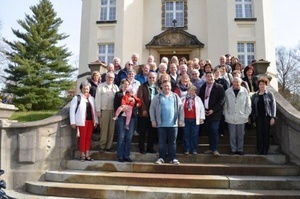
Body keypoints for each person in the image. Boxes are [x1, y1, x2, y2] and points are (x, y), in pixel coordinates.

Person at [150, 80, 184, 165]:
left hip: (173, 124)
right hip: (161, 124)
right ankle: (161, 158)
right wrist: (153, 120)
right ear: (161, 86)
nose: (166, 87)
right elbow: (152, 109)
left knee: (172, 142)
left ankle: (173, 158)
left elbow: (181, 109)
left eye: (168, 86)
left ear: (171, 87)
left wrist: (180, 120)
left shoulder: (175, 97)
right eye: (165, 86)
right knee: (162, 142)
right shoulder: (157, 97)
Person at [70, 81, 98, 161]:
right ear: (81, 89)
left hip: (91, 121)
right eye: (84, 89)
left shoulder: (92, 98)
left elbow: (94, 110)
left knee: (88, 138)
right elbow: (72, 110)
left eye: (87, 89)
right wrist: (73, 122)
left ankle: (87, 154)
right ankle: (82, 154)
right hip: (82, 121)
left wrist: (95, 121)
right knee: (82, 138)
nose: (86, 90)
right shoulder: (77, 98)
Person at [199, 72, 225, 156]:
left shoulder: (219, 87)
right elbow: (200, 99)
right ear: (205, 77)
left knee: (214, 130)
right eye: (208, 76)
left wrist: (213, 110)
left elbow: (221, 100)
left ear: (214, 77)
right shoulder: (203, 87)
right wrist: (203, 110)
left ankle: (215, 149)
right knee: (209, 131)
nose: (209, 78)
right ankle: (210, 148)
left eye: (211, 76)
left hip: (215, 113)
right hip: (206, 112)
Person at [224, 77, 251, 155]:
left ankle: (240, 149)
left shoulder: (245, 91)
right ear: (232, 82)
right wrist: (226, 114)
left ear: (240, 83)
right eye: (234, 82)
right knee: (232, 135)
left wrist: (246, 115)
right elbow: (225, 105)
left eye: (238, 82)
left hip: (241, 116)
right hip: (230, 116)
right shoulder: (227, 92)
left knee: (241, 134)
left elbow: (248, 104)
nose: (236, 83)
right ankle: (233, 149)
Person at [114, 79, 139, 162]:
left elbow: (136, 105)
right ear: (121, 85)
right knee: (121, 136)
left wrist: (133, 103)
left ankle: (126, 155)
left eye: (127, 84)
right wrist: (122, 109)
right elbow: (115, 106)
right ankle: (120, 155)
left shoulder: (132, 94)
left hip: (131, 118)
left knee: (129, 137)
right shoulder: (118, 94)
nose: (126, 86)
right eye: (124, 84)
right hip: (121, 117)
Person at [251, 77, 276, 155]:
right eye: (260, 84)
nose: (262, 86)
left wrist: (273, 117)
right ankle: (260, 149)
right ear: (258, 85)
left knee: (265, 133)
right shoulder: (255, 95)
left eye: (263, 84)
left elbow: (273, 106)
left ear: (266, 85)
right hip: (258, 116)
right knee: (259, 133)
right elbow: (252, 106)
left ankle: (265, 149)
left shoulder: (269, 94)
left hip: (267, 116)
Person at [95, 72, 119, 153]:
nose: (110, 79)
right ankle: (102, 146)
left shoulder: (115, 87)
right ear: (106, 77)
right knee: (104, 129)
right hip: (104, 110)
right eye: (108, 77)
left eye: (112, 77)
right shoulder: (100, 86)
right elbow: (97, 99)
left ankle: (109, 146)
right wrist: (98, 110)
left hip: (113, 110)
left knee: (111, 129)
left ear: (114, 79)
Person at [137, 72, 160, 154]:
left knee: (152, 132)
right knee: (142, 131)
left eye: (153, 78)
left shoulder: (157, 88)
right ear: (147, 78)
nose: (151, 79)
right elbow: (140, 98)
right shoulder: (142, 86)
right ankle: (141, 148)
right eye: (150, 77)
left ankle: (150, 148)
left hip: (154, 113)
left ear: (156, 78)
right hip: (144, 112)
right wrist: (143, 109)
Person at [182, 85, 205, 155]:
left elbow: (201, 109)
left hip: (195, 119)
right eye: (189, 90)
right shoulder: (183, 99)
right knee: (186, 134)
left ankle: (194, 149)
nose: (191, 92)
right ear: (187, 91)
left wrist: (201, 118)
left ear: (195, 92)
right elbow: (179, 109)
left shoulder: (198, 99)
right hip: (185, 119)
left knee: (194, 135)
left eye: (193, 90)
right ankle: (187, 149)